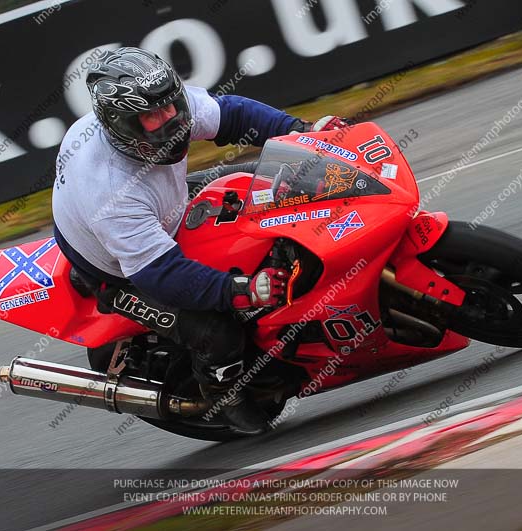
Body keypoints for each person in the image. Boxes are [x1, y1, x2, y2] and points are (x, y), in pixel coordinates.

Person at [52, 47, 347, 434]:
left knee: (271, 180)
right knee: (218, 331)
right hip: (120, 268)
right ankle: (222, 392)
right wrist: (241, 290)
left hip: (163, 205)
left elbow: (235, 114)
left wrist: (303, 132)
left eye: (171, 107)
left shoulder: (165, 103)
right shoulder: (110, 192)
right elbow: (161, 274)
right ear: (122, 126)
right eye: (152, 118)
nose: (169, 121)